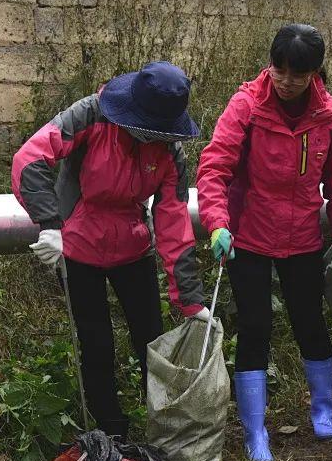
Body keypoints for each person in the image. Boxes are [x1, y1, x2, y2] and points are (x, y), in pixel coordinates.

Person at [12, 61, 208, 438]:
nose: (154, 141)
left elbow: (173, 220)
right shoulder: (90, 114)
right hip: (78, 246)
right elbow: (29, 159)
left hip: (134, 247)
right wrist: (51, 224)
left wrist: (190, 298)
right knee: (97, 344)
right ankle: (111, 433)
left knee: (151, 340)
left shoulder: (169, 150)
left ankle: (163, 426)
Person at [196, 24, 332, 461]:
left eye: (298, 74)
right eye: (280, 71)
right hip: (248, 234)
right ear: (270, 65)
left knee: (309, 319)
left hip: (303, 234)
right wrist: (216, 223)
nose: (287, 82)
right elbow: (214, 168)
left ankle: (323, 408)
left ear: (315, 73)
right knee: (255, 325)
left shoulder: (331, 116)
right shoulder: (247, 106)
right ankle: (255, 431)